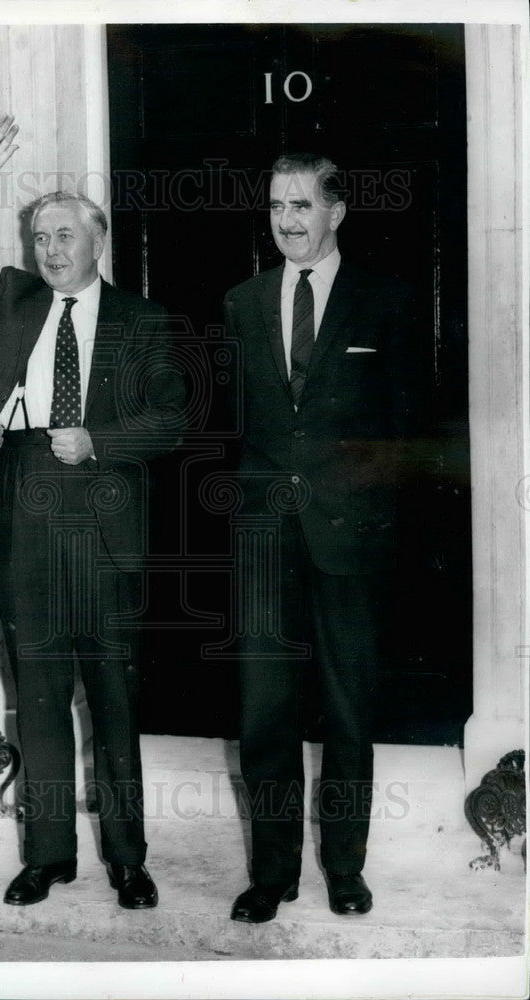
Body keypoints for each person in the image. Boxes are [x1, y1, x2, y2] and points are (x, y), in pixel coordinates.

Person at [0, 115, 186, 910]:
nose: (51, 249)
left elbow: (173, 419)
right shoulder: (9, 299)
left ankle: (128, 859)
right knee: (36, 690)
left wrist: (98, 438)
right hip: (22, 504)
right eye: (41, 236)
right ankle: (47, 855)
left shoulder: (143, 320)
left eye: (65, 235)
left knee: (113, 698)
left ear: (97, 240)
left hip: (105, 512)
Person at [223, 152, 422, 922]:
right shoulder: (241, 301)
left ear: (335, 212)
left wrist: (376, 518)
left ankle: (344, 866)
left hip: (349, 536)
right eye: (277, 206)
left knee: (346, 709)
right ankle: (271, 874)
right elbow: (233, 427)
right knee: (264, 711)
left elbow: (405, 429)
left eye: (302, 205)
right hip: (264, 539)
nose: (287, 220)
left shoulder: (386, 301)